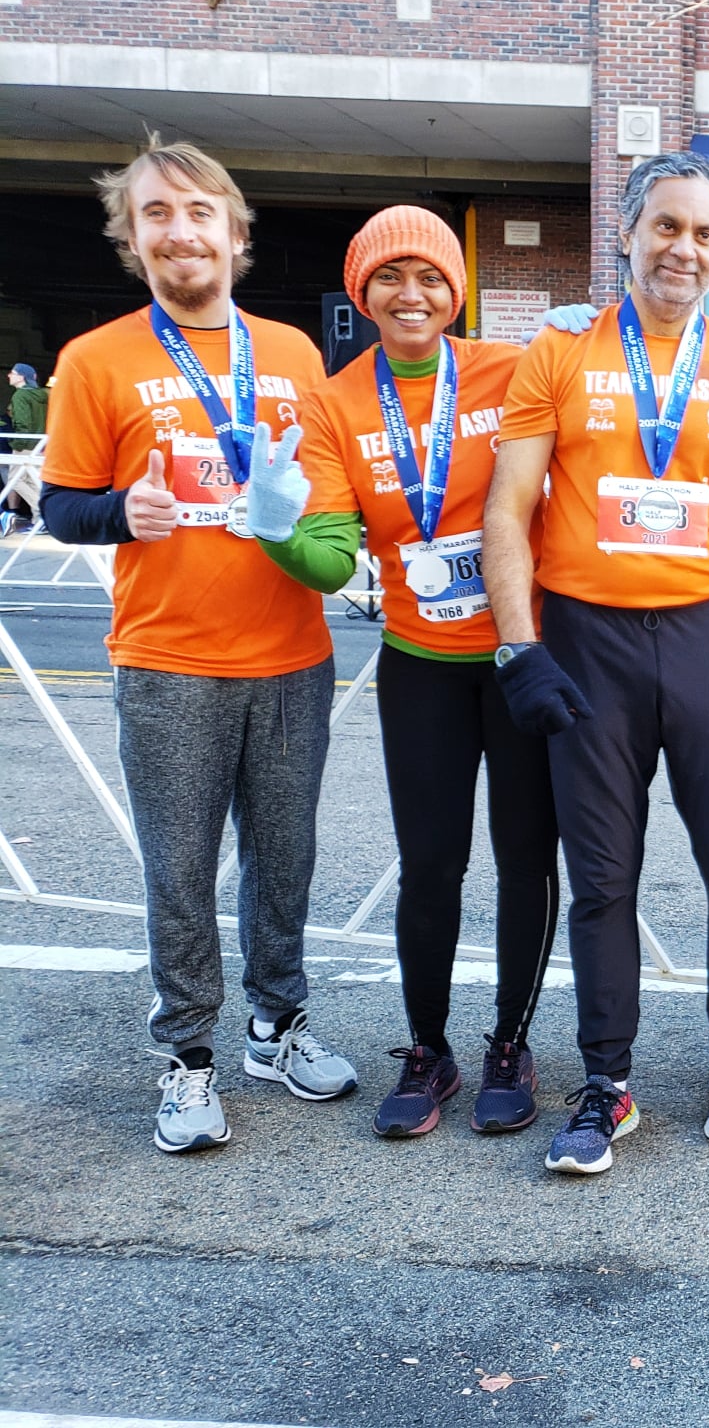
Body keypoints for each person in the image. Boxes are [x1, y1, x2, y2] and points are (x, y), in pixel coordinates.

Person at [485, 150, 709, 1175]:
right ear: (627, 233)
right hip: (591, 642)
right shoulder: (560, 353)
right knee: (602, 882)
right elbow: (508, 509)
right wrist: (519, 646)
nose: (685, 249)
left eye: (706, 234)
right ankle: (606, 1083)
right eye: (668, 226)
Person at [39, 138, 356, 1154]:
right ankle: (186, 1056)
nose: (180, 231)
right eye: (157, 214)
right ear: (132, 238)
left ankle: (276, 1025)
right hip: (168, 661)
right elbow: (59, 506)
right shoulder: (96, 360)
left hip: (292, 656)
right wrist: (118, 512)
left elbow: (319, 496)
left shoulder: (293, 355)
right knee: (180, 873)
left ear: (235, 232)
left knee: (285, 862)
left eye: (199, 212)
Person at [253, 206, 561, 1140]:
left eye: (430, 276)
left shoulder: (510, 369)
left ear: (455, 292)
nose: (411, 293)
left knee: (525, 858)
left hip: (520, 656)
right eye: (389, 276)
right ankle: (429, 1049)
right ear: (362, 293)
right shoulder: (337, 403)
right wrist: (278, 531)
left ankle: (511, 1042)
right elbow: (333, 560)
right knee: (431, 866)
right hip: (421, 664)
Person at [3, 362, 48, 532]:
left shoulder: (20, 396)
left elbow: (23, 424)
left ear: (21, 377)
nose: (9, 375)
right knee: (34, 481)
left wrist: (16, 444)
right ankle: (40, 520)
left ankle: (42, 512)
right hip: (41, 444)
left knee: (15, 480)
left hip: (25, 445)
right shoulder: (42, 395)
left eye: (12, 373)